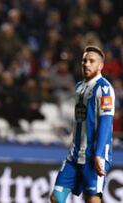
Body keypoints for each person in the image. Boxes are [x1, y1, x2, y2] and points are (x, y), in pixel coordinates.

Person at [50, 46, 115, 203]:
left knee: (92, 199)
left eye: (92, 61)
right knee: (56, 197)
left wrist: (99, 154)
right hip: (75, 155)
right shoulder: (79, 86)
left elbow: (106, 123)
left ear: (100, 66)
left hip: (94, 155)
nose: (86, 64)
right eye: (84, 60)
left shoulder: (104, 89)